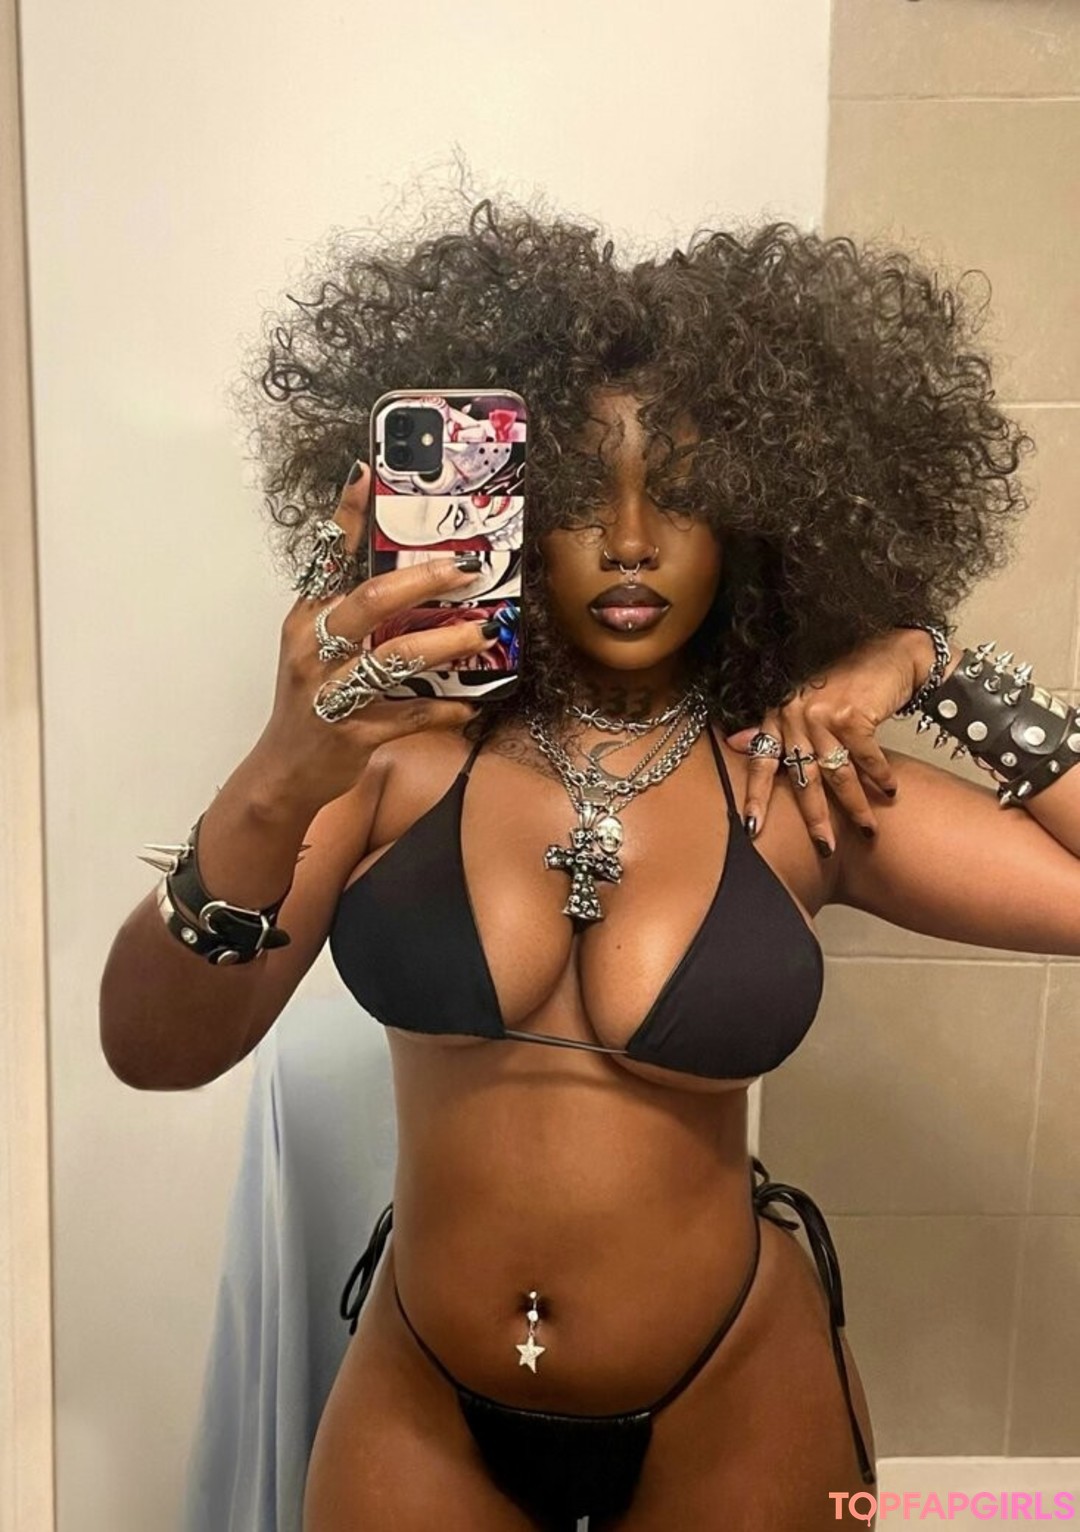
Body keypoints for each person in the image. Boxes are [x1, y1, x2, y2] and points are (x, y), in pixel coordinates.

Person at [100, 194, 1080, 1532]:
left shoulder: (790, 786)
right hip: (425, 1401)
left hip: (736, 1391)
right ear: (504, 517)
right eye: (574, 497)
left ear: (762, 520)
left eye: (685, 492)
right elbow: (153, 1050)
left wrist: (937, 661)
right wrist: (278, 774)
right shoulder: (390, 766)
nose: (630, 537)